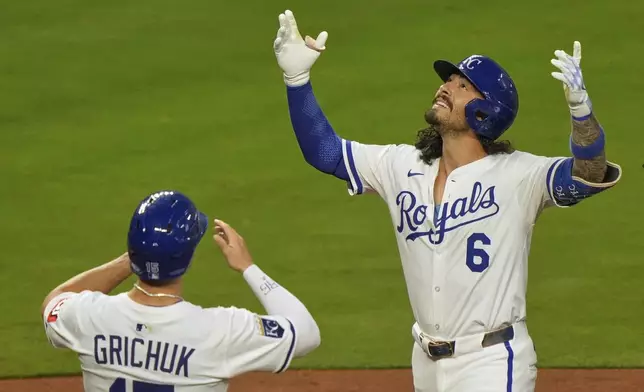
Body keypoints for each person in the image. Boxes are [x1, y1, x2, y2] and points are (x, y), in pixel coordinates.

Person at [272, 9, 621, 392]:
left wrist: (580, 112)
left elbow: (588, 173)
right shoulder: (401, 166)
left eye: (462, 85)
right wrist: (297, 80)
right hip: (425, 363)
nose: (446, 87)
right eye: (449, 80)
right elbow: (326, 153)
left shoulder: (519, 176)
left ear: (486, 111)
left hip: (490, 362)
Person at [41, 190, 320, 391]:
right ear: (189, 257)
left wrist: (138, 256)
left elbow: (55, 302)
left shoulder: (89, 317)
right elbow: (306, 333)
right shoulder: (220, 330)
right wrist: (248, 267)